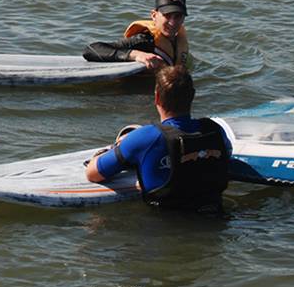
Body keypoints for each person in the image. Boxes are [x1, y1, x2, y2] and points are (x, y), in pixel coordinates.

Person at [86, 65, 230, 213]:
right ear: (192, 96)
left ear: (156, 98)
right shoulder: (215, 130)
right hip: (215, 219)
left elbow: (93, 174)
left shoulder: (145, 137)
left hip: (165, 227)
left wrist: (120, 147)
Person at [84, 0, 190, 69]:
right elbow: (91, 50)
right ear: (154, 15)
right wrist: (136, 55)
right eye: (167, 15)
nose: (172, 22)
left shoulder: (178, 40)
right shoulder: (144, 40)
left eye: (178, 16)